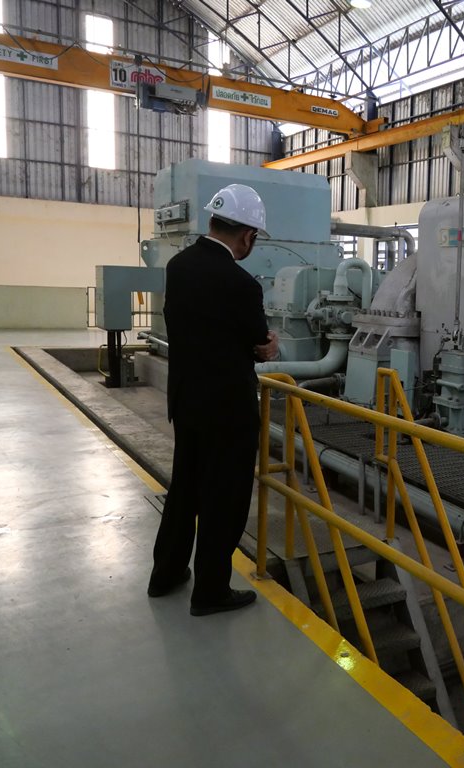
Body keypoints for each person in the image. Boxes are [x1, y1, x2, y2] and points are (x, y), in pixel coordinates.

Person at [147, 183, 280, 616]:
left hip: (186, 401)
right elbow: (258, 343)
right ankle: (210, 590)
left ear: (212, 220)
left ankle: (165, 574)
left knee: (185, 489)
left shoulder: (178, 266)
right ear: (248, 235)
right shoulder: (242, 284)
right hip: (228, 412)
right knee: (224, 499)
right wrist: (269, 347)